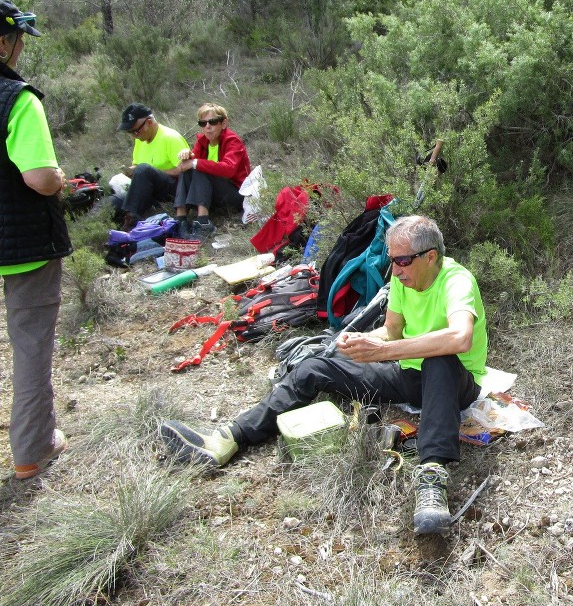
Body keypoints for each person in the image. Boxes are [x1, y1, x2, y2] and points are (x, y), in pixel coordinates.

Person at [160, 215, 487, 535]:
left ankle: (431, 476)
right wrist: (363, 341)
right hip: (407, 373)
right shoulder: (404, 280)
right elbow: (391, 331)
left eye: (402, 261)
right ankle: (229, 438)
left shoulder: (456, 280)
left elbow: (460, 338)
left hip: (454, 382)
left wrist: (383, 352)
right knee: (314, 366)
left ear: (430, 257)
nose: (396, 270)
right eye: (392, 261)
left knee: (439, 360)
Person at [0, 0, 72, 480]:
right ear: (3, 42)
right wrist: (60, 176)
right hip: (21, 246)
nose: (22, 47)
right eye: (19, 38)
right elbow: (40, 178)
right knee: (29, 344)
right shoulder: (17, 98)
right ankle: (32, 449)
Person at [173, 103, 250, 241]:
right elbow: (189, 164)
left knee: (200, 167)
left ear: (223, 123)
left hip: (237, 194)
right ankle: (181, 219)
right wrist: (187, 156)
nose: (207, 126)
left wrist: (195, 162)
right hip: (215, 193)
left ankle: (203, 221)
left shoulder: (232, 141)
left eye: (213, 122)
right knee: (190, 168)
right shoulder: (203, 141)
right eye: (203, 123)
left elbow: (229, 169)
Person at [110, 103, 189, 228]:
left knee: (144, 169)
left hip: (174, 190)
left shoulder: (171, 138)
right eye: (130, 132)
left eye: (136, 130)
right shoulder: (140, 140)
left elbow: (185, 171)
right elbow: (136, 164)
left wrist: (153, 172)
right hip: (150, 190)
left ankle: (132, 220)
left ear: (149, 122)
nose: (134, 135)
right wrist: (131, 171)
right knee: (112, 200)